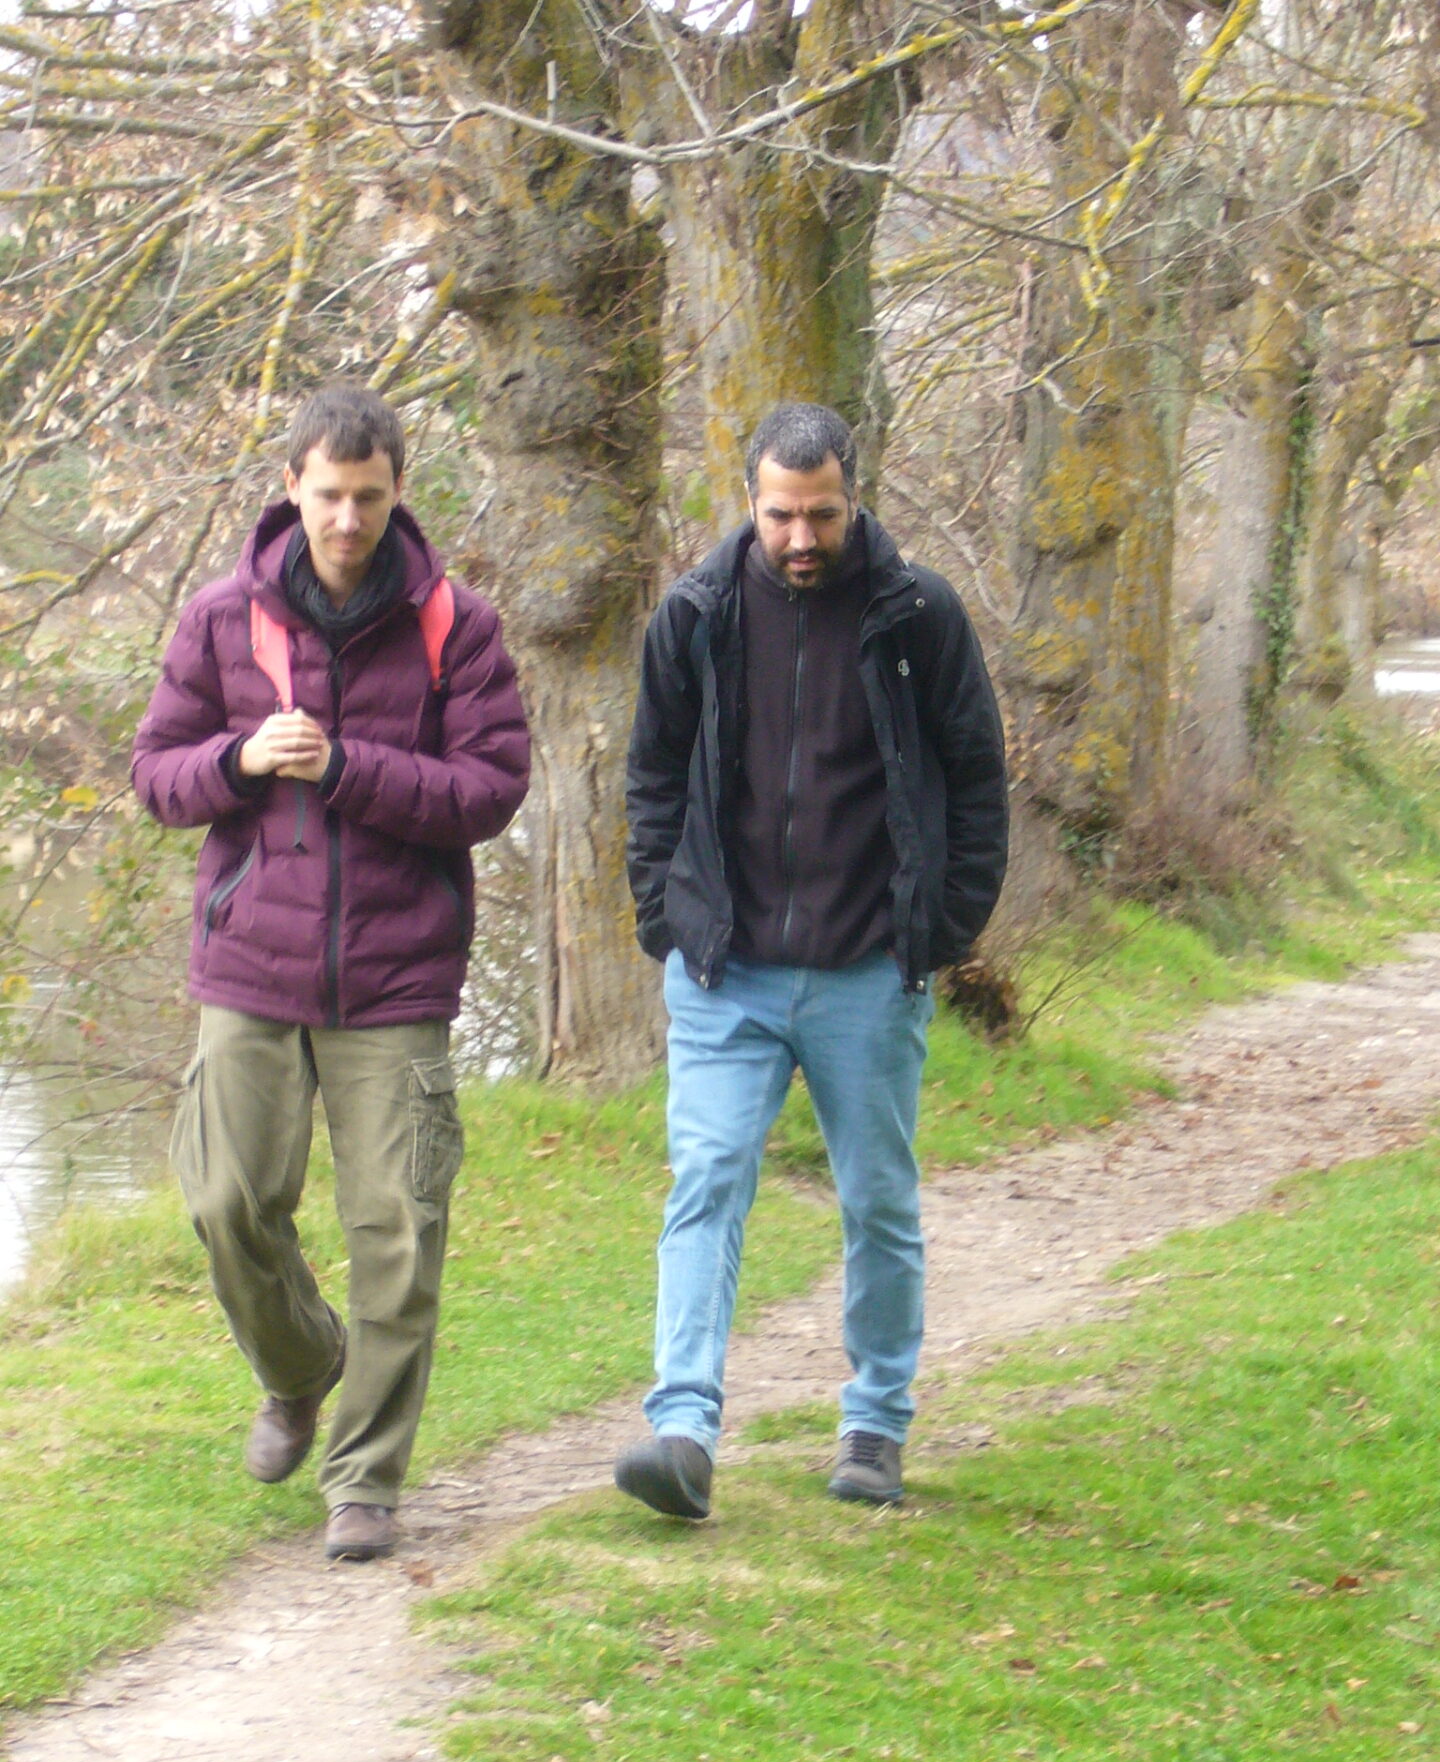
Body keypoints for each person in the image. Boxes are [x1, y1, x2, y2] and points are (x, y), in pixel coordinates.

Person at [132, 384, 529, 1561]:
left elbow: (492, 791)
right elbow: (156, 774)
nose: (347, 518)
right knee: (225, 1202)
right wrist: (241, 759)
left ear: (398, 489)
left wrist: (353, 768)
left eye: (368, 496)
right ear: (291, 487)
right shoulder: (220, 621)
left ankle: (365, 1481)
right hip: (250, 965)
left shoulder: (459, 626)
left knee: (399, 1229)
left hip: (397, 976)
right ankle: (302, 1365)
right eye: (327, 495)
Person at [616, 401, 1007, 1519]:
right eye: (782, 515)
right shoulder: (691, 616)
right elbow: (650, 780)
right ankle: (682, 1432)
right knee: (707, 1185)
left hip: (865, 975)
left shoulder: (918, 613)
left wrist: (939, 931)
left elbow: (976, 777)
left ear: (854, 497)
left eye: (822, 515)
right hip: (723, 972)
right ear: (751, 502)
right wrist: (667, 917)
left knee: (877, 1199)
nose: (801, 538)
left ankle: (875, 1424)